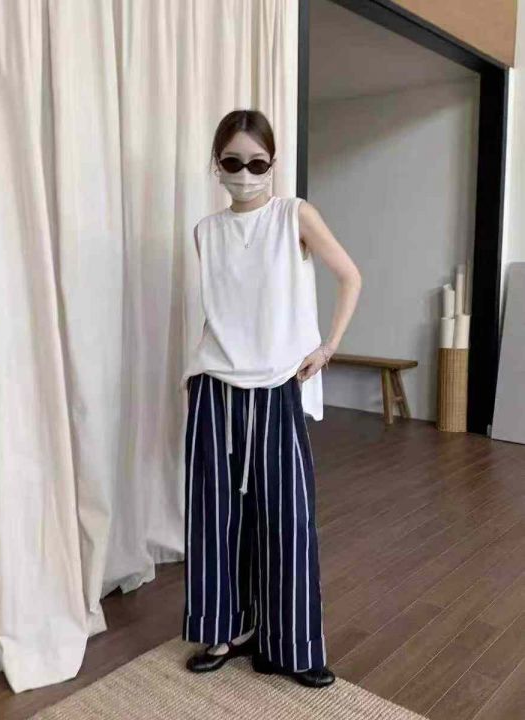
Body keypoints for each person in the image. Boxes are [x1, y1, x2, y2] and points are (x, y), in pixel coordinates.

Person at [179, 109, 362, 688]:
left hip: (279, 385)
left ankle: (294, 645)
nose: (244, 173)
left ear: (272, 164)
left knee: (288, 520)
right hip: (214, 388)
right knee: (214, 518)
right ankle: (223, 630)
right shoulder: (205, 232)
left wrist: (327, 348)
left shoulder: (294, 215)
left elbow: (350, 276)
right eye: (232, 162)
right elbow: (225, 308)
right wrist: (197, 373)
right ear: (216, 164)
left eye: (257, 163)